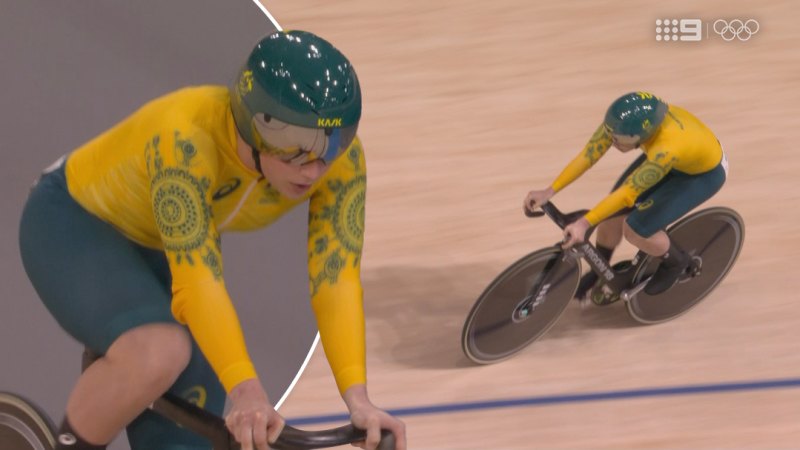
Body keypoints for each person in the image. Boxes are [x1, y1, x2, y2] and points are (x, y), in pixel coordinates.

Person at [19, 30, 406, 450]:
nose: (314, 170)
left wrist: (358, 399)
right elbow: (198, 283)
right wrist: (248, 393)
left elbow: (336, 280)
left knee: (194, 431)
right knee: (157, 352)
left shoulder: (340, 165)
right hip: (73, 221)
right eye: (295, 147)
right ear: (253, 125)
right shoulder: (185, 138)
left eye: (335, 141)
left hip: (163, 244)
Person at [524, 91, 728, 300]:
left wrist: (583, 224)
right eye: (610, 136)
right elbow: (588, 156)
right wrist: (549, 191)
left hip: (701, 176)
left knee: (636, 230)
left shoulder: (666, 147)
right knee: (609, 218)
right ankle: (599, 271)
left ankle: (676, 262)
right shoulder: (623, 123)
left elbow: (627, 194)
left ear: (641, 135)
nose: (612, 142)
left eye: (618, 140)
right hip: (680, 158)